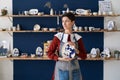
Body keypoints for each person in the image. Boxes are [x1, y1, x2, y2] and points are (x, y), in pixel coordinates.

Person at [47, 12, 87, 80]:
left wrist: (76, 50)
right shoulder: (58, 37)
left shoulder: (78, 38)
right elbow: (49, 53)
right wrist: (60, 58)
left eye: (67, 21)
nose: (64, 24)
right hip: (61, 69)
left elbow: (84, 56)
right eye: (62, 21)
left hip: (75, 70)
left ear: (72, 22)